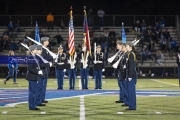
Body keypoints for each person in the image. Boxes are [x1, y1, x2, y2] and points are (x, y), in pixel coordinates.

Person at [26, 45, 42, 110]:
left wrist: (38, 70)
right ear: (32, 51)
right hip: (32, 76)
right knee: (32, 92)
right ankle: (32, 106)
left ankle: (33, 104)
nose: (36, 50)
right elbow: (30, 68)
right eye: (35, 49)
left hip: (34, 76)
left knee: (33, 91)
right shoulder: (30, 57)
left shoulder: (34, 57)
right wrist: (37, 72)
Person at [124, 41, 138, 110]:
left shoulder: (131, 54)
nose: (126, 47)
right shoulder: (129, 54)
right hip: (130, 75)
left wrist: (130, 76)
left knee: (131, 91)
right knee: (130, 91)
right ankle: (131, 105)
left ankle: (132, 106)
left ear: (130, 47)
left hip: (132, 76)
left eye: (127, 46)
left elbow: (132, 66)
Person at [41, 37, 54, 103]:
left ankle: (42, 98)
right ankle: (40, 99)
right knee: (41, 85)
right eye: (47, 41)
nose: (48, 42)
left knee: (44, 85)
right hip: (43, 69)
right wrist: (49, 61)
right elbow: (44, 59)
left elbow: (50, 58)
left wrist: (52, 59)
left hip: (46, 69)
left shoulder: (46, 49)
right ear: (44, 42)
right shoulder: (42, 49)